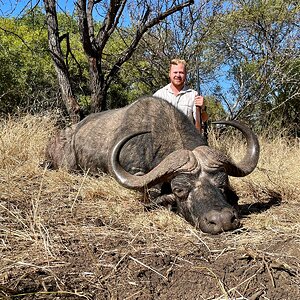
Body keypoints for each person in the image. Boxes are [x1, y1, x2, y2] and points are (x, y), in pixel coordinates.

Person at [153, 58, 207, 126]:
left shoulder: (193, 95)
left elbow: (203, 120)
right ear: (169, 74)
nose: (178, 75)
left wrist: (202, 109)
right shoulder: (158, 95)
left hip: (187, 136)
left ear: (185, 74)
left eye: (181, 72)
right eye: (175, 72)